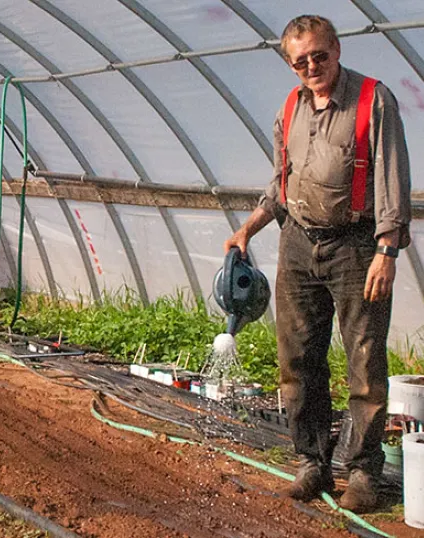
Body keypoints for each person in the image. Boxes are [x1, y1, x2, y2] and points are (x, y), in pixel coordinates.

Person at [224, 14, 411, 512]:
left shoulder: (374, 100)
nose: (311, 66)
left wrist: (387, 251)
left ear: (337, 49)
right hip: (298, 243)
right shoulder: (291, 107)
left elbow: (392, 180)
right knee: (298, 358)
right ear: (291, 63)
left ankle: (364, 473)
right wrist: (248, 228)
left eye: (319, 55)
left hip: (355, 246)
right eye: (300, 60)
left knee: (365, 359)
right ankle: (312, 462)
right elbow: (280, 183)